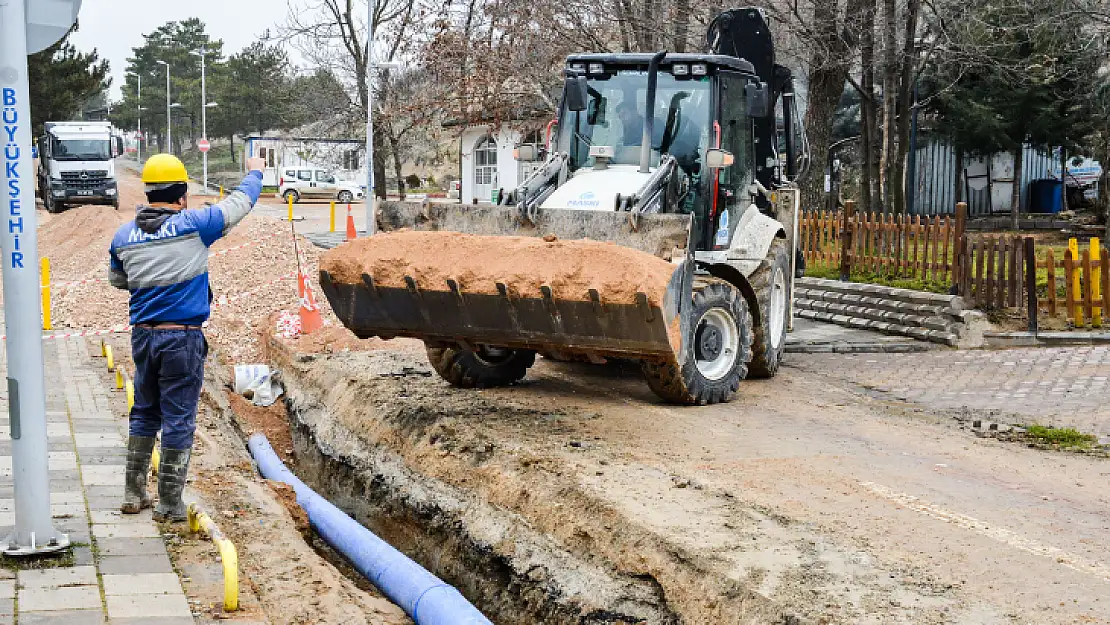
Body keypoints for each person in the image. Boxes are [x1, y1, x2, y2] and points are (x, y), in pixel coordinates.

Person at [110, 154, 266, 521]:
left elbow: (119, 281)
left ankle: (133, 494)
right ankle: (168, 504)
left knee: (145, 412)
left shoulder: (123, 235)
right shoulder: (194, 224)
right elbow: (240, 203)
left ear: (149, 192)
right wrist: (256, 171)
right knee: (179, 417)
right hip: (181, 338)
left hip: (143, 338)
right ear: (182, 193)